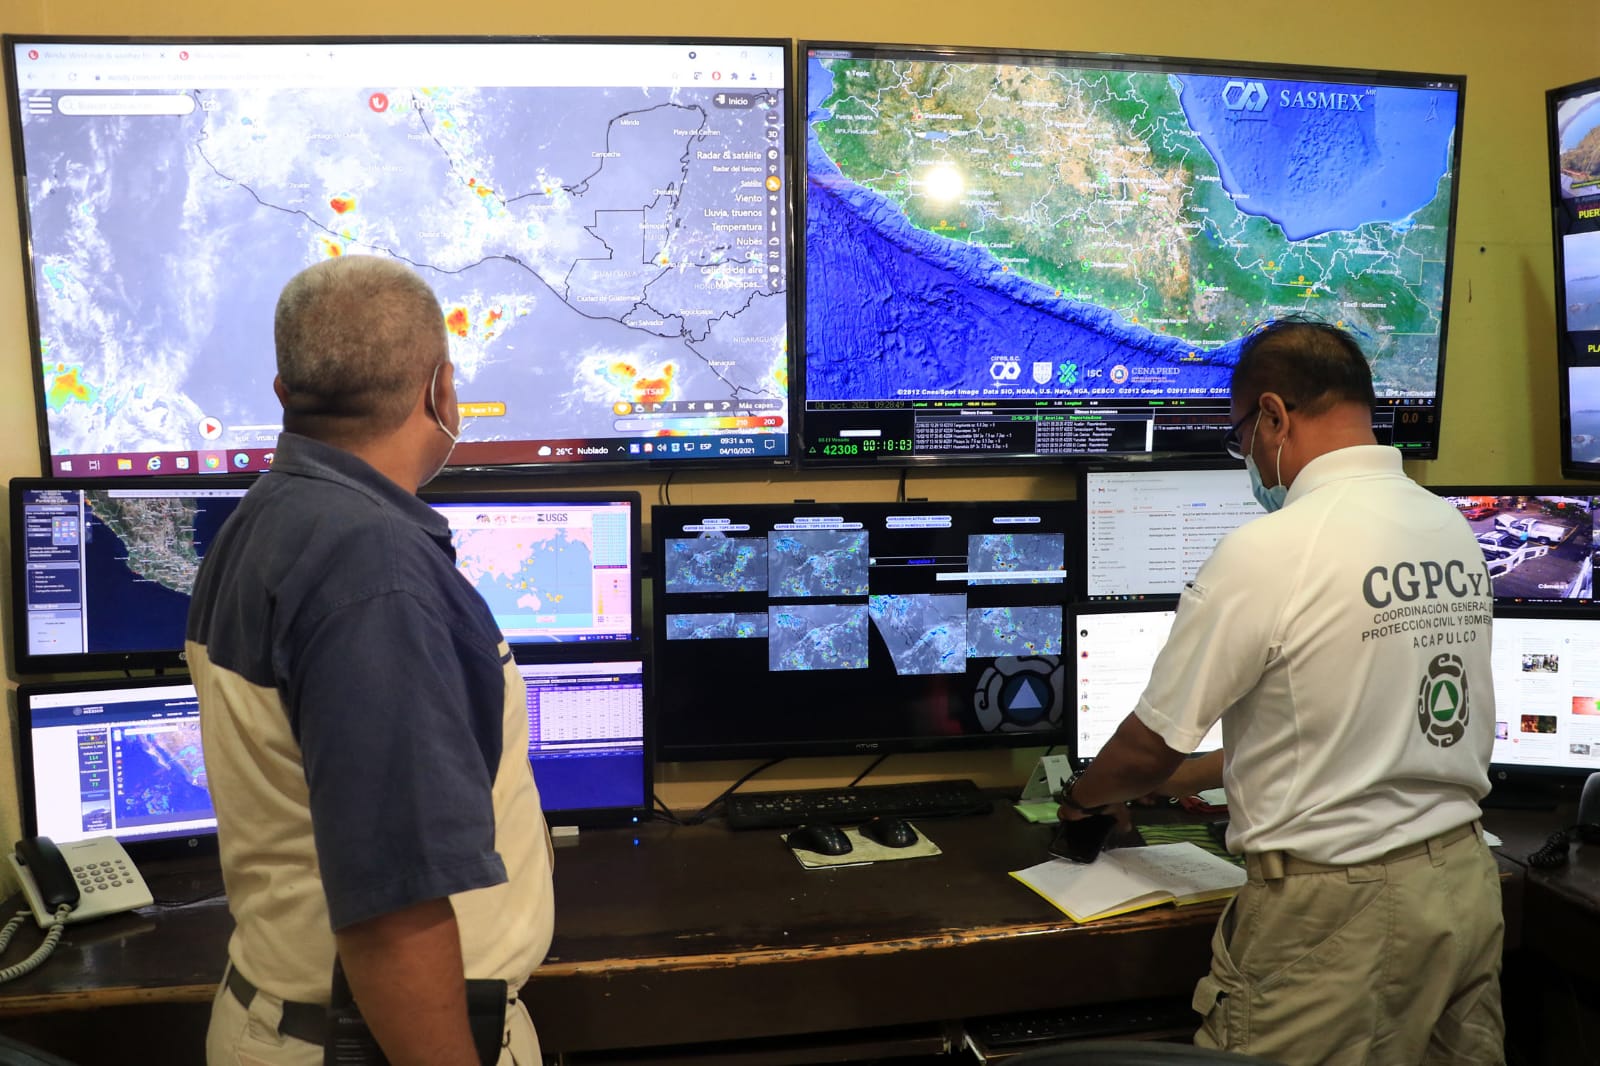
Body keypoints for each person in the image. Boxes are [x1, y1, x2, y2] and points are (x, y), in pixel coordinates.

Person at [1056, 318, 1504, 1065]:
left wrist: (1083, 801)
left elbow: (1144, 748)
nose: (1249, 458)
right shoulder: (1447, 527)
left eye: (1241, 437)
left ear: (1272, 416)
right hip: (1462, 884)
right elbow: (1337, 731)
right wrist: (1179, 785)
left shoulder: (1269, 551)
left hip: (1337, 913)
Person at [187, 255, 554, 1066]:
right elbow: (395, 907)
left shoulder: (268, 517)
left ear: (283, 394)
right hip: (373, 1043)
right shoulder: (376, 573)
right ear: (440, 391)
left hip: (287, 1018)